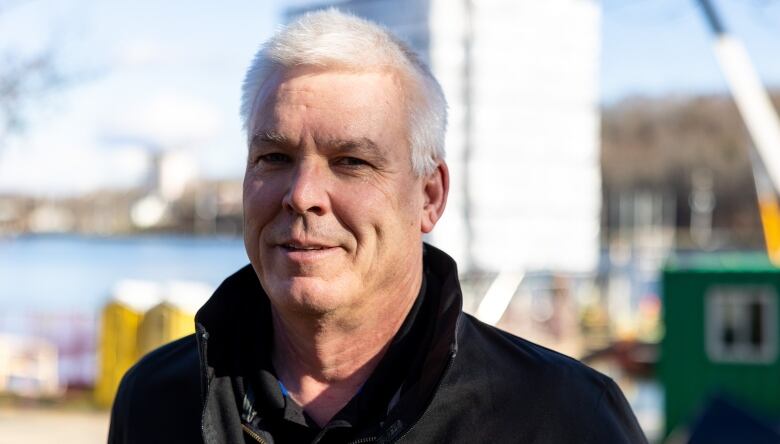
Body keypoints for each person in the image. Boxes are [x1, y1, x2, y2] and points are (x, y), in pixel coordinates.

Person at [108, 9, 647, 444]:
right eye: (274, 157)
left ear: (429, 196)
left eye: (351, 162)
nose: (302, 196)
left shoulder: (561, 417)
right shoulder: (157, 401)